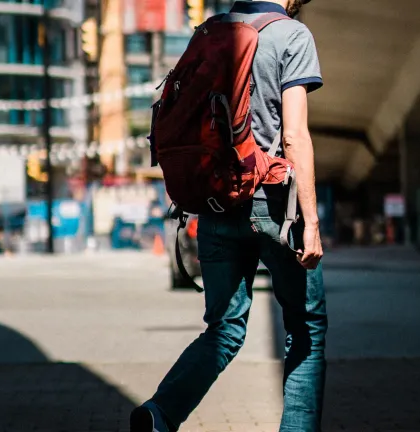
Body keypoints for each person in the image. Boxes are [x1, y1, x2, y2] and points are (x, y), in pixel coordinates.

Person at [130, 1, 326, 431]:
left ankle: (160, 413)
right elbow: (293, 136)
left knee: (223, 328)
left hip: (216, 201)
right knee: (304, 327)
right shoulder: (291, 34)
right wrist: (310, 222)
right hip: (274, 204)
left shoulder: (209, 31)